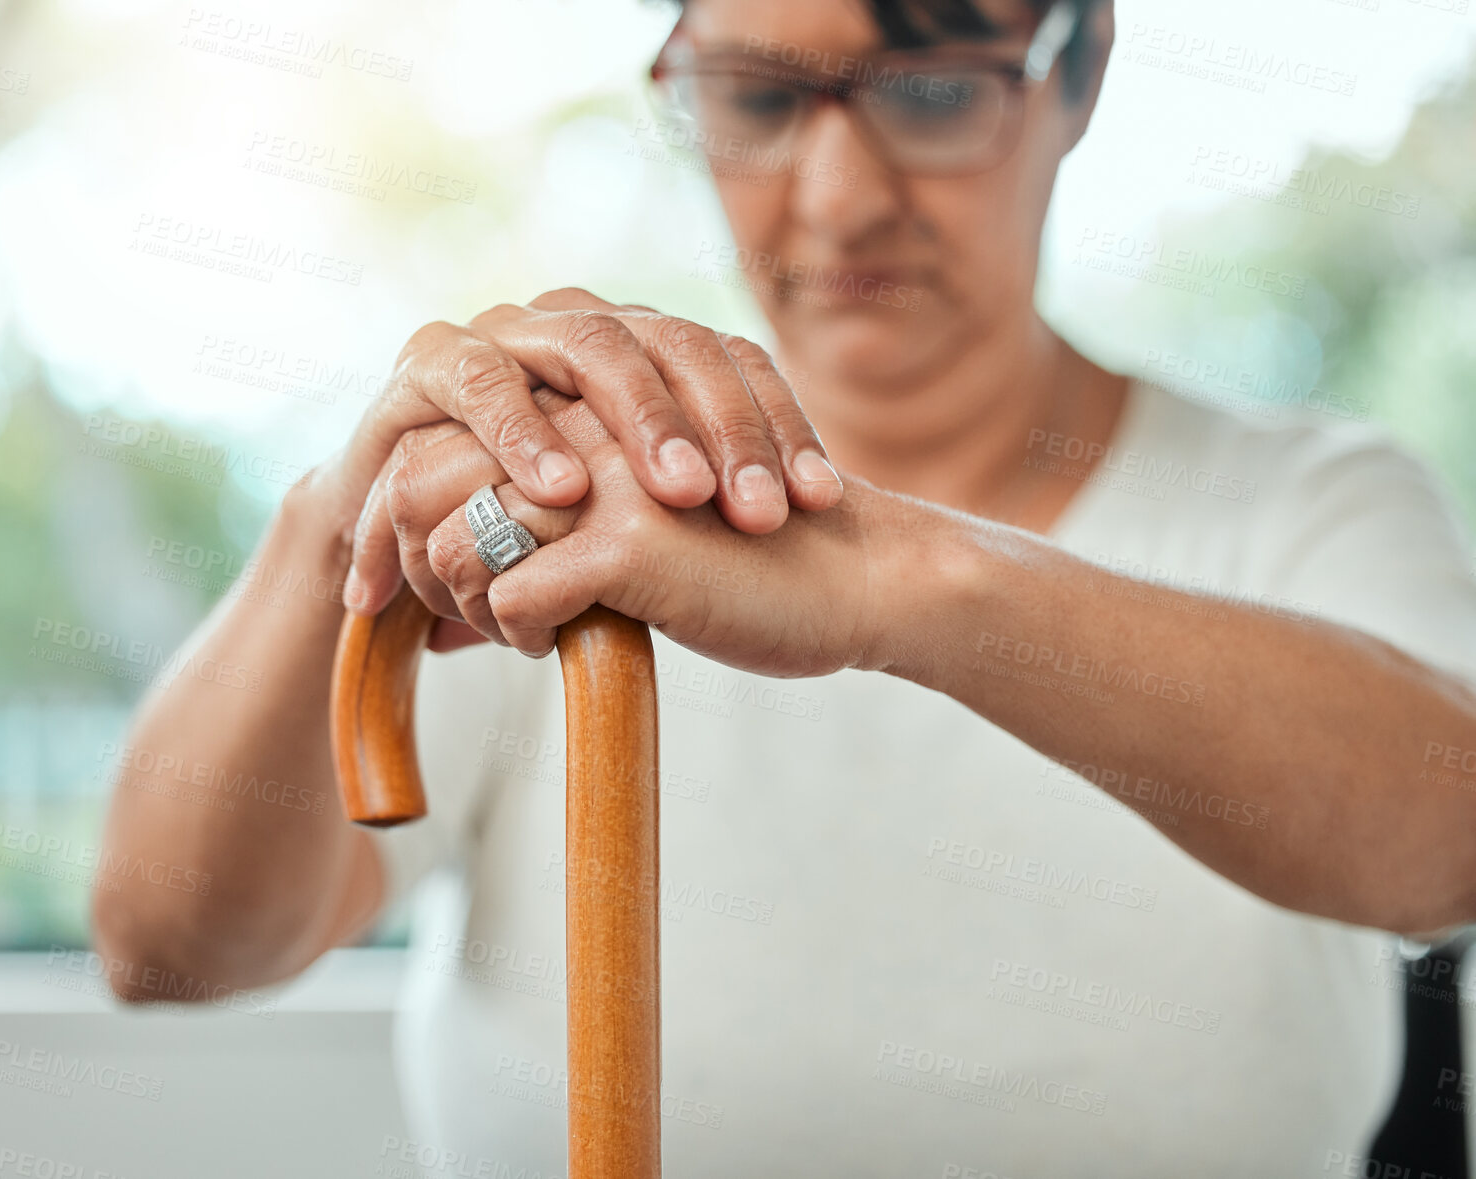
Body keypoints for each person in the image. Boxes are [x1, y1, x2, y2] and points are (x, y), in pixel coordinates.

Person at [93, 0, 1476, 1174]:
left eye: (932, 90)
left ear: (1082, 66)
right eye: (753, 96)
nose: (837, 195)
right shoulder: (556, 519)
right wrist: (338, 529)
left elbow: (1449, 838)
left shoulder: (1310, 503)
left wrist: (902, 580)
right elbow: (167, 948)